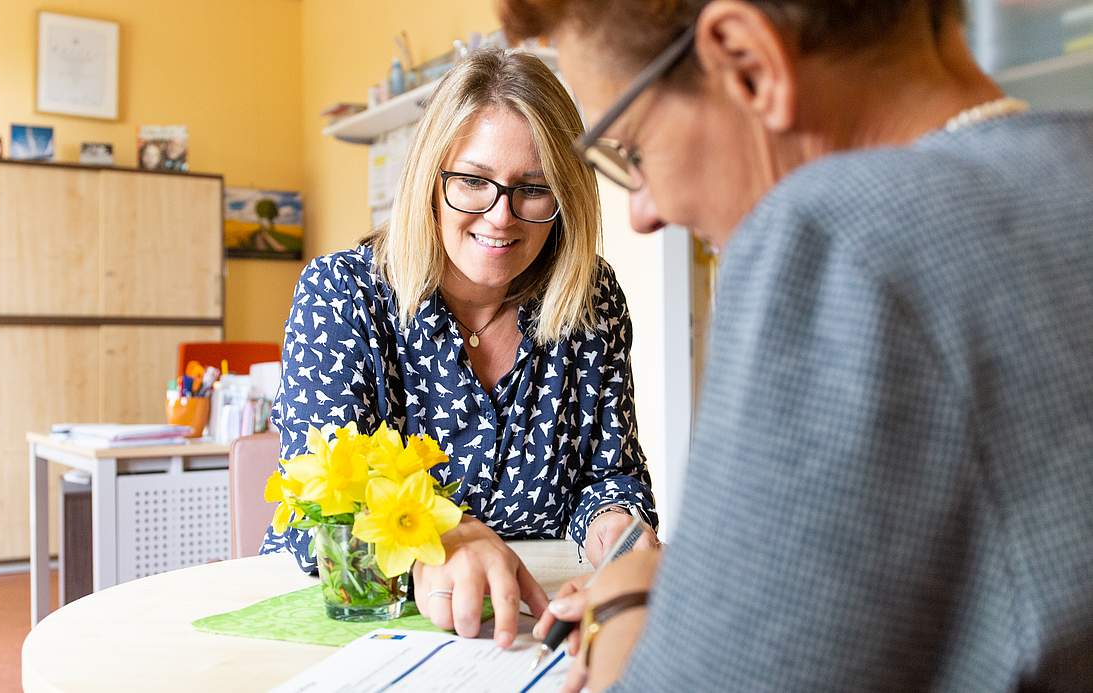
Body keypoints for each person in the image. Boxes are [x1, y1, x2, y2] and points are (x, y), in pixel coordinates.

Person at [499, 0, 1093, 690]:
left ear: (748, 64)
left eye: (630, 150)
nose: (642, 209)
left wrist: (625, 599)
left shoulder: (834, 242)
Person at [260, 48, 659, 649]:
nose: (501, 216)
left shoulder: (590, 298)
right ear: (431, 177)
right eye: (473, 182)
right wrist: (444, 537)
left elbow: (610, 475)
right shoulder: (342, 293)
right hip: (359, 619)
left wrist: (616, 529)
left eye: (534, 188)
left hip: (530, 625)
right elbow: (318, 512)